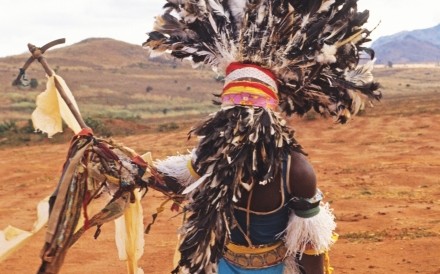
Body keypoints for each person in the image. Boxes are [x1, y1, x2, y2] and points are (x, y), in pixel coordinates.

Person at [145, 0, 381, 273]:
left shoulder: (296, 171)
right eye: (234, 113)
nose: (241, 120)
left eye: (249, 112)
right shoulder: (211, 156)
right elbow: (170, 182)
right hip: (221, 265)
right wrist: (122, 167)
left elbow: (309, 247)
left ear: (269, 117)